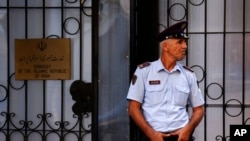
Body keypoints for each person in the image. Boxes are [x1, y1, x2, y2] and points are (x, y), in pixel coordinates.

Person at [126, 21, 205, 141]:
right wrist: (152, 134)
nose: (185, 46)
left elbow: (199, 109)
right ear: (165, 47)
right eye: (179, 42)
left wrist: (187, 130)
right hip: (152, 137)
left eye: (185, 42)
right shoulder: (144, 72)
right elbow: (133, 108)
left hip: (181, 137)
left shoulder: (188, 74)